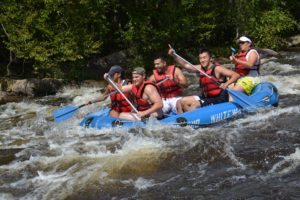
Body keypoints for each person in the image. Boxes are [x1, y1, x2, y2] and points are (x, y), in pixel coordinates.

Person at [168, 48, 240, 113]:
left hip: (218, 98)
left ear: (210, 58)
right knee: (179, 102)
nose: (202, 60)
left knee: (194, 105)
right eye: (200, 58)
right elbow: (186, 66)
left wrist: (226, 84)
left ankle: (192, 120)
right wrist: (174, 55)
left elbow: (236, 75)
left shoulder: (217, 69)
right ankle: (181, 120)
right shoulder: (200, 68)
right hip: (207, 97)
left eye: (204, 58)